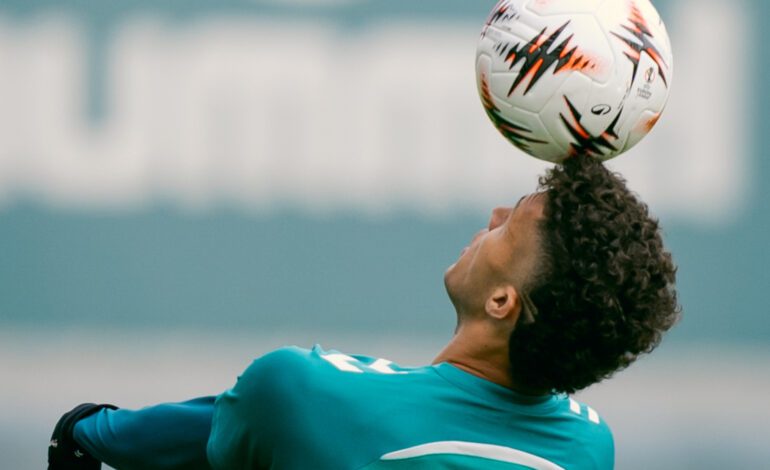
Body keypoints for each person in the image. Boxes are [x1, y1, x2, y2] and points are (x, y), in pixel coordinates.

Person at [48, 156, 680, 470]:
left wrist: (78, 430)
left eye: (511, 222)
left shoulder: (301, 390)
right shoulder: (590, 447)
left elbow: (128, 439)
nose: (491, 216)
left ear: (502, 302)